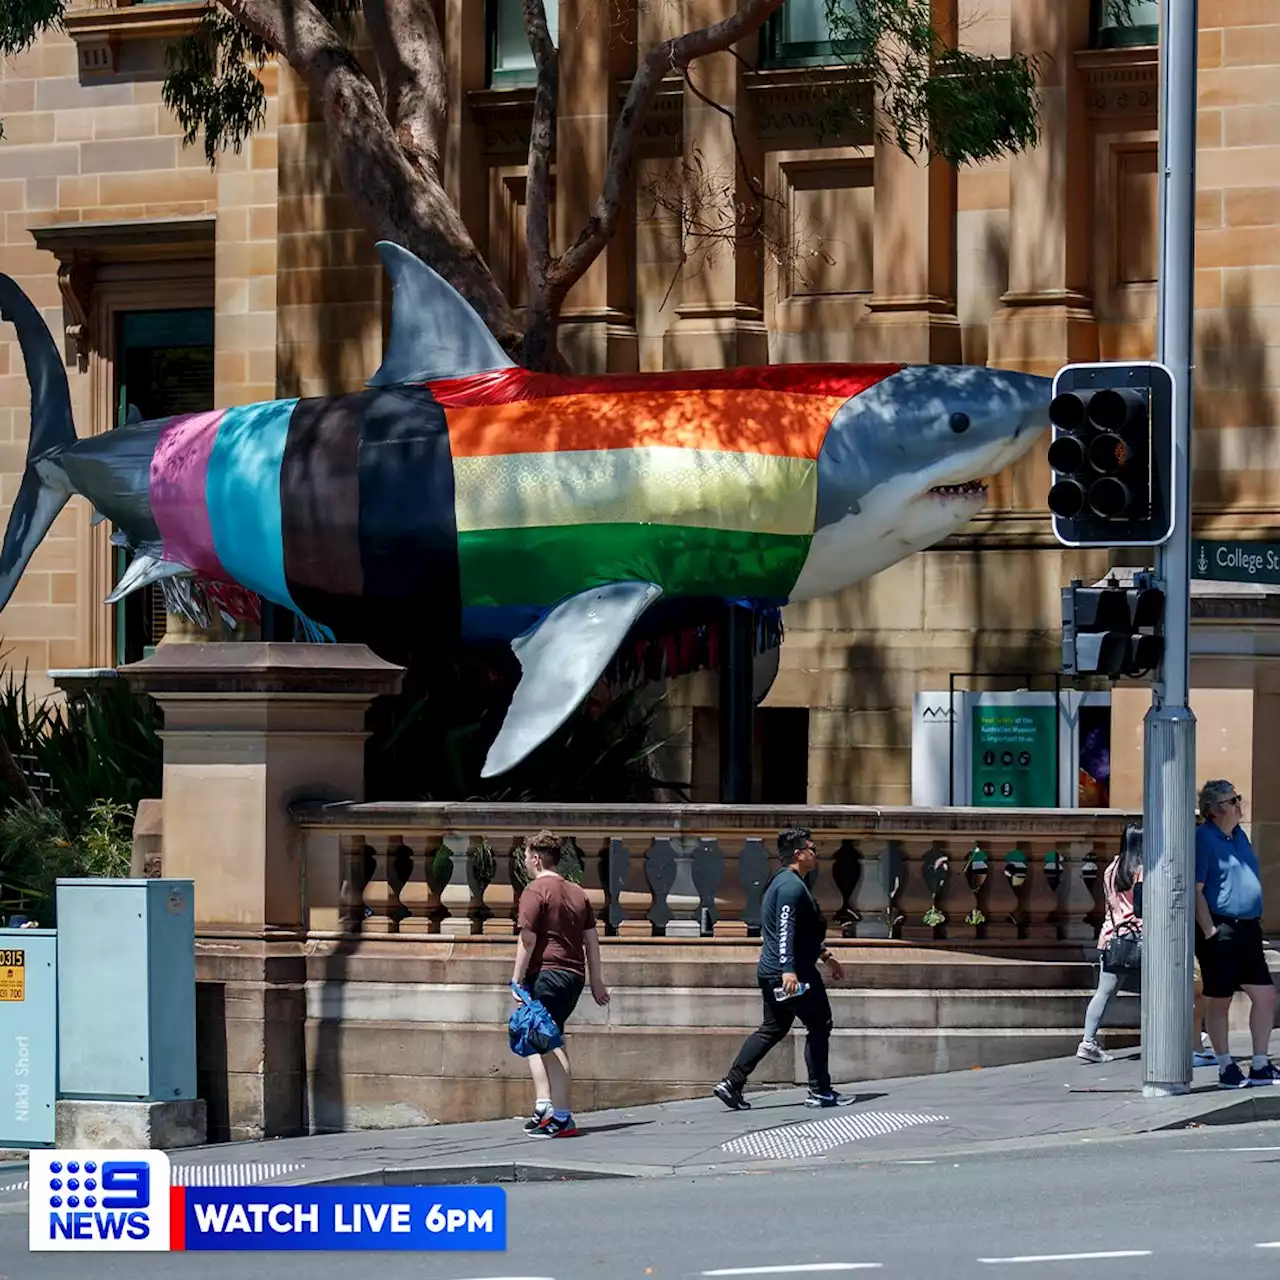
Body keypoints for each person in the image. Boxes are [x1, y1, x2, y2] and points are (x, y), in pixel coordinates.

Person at [713, 826, 851, 1110]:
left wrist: (825, 956)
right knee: (820, 1022)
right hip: (790, 972)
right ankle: (820, 1091)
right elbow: (785, 929)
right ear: (799, 854)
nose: (816, 853)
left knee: (773, 1028)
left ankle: (732, 1083)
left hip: (773, 970)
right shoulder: (790, 886)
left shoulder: (783, 882)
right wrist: (789, 970)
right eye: (812, 849)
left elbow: (799, 932)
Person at [511, 830, 610, 1136]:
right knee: (538, 1036)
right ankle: (546, 1105)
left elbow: (527, 940)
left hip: (546, 974)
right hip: (573, 977)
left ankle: (562, 1116)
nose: (526, 862)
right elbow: (591, 941)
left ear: (536, 858)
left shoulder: (534, 891)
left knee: (550, 1046)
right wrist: (596, 982)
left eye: (527, 856)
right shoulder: (578, 892)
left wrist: (515, 980)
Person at [1194, 780, 1279, 1089]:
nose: (1239, 805)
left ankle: (1259, 1064)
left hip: (1248, 928)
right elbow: (1196, 890)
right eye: (1233, 801)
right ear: (1216, 810)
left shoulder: (1239, 835)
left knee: (1266, 996)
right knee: (1219, 1000)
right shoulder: (1203, 838)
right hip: (1222, 928)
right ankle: (1226, 1066)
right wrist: (1210, 931)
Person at [1077, 822, 1143, 1064]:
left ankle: (1087, 1041)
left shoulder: (1111, 868)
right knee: (1164, 988)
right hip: (1139, 938)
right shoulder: (1142, 870)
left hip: (1111, 937)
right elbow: (1143, 907)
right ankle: (1186, 1032)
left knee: (1104, 993)